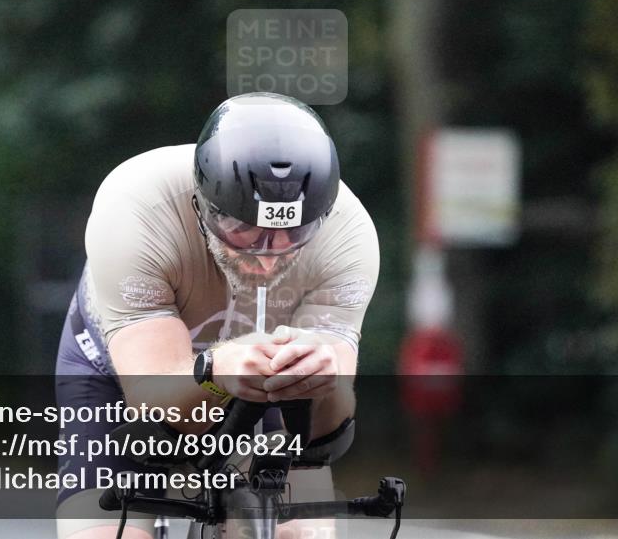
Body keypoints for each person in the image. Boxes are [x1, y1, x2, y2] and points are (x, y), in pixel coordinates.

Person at [55, 92, 380, 539]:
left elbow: (323, 438)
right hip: (119, 374)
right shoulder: (135, 209)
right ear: (202, 204)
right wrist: (218, 370)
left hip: (261, 380)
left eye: (291, 235)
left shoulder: (349, 236)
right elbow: (155, 404)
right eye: (241, 229)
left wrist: (323, 383)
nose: (266, 258)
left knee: (303, 533)